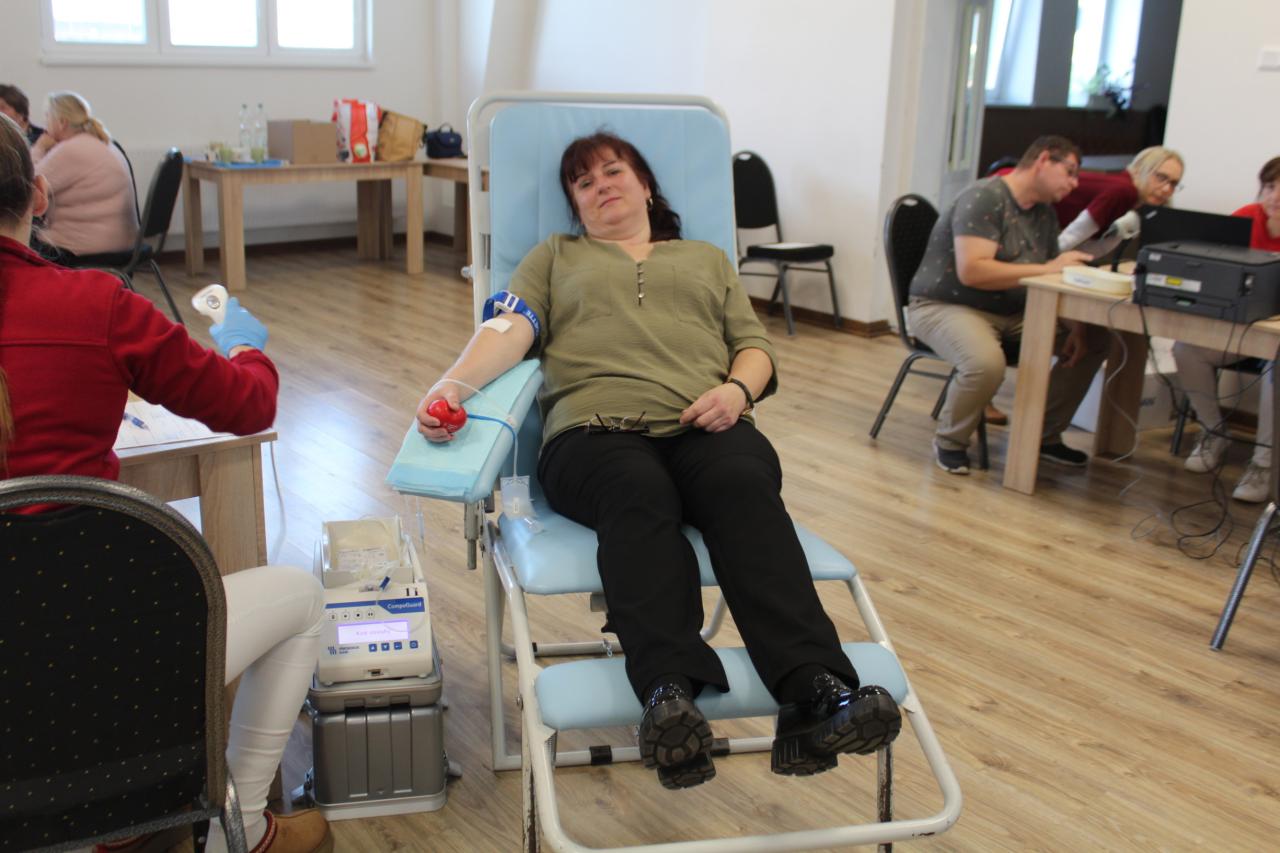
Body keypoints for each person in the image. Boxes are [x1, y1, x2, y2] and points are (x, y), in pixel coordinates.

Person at [415, 131, 901, 789]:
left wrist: (738, 391)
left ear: (646, 185)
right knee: (637, 490)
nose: (601, 186)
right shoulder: (555, 256)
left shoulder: (706, 259)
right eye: (583, 182)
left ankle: (816, 692)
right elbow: (510, 327)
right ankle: (667, 693)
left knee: (742, 485)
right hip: (594, 432)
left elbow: (754, 346)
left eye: (613, 171)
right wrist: (452, 387)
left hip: (707, 423)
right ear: (575, 206)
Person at [0, 115, 331, 853]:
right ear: (39, 195)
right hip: (104, 642)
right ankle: (241, 828)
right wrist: (245, 348)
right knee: (304, 598)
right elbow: (248, 405)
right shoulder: (99, 307)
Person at [908, 135, 1110, 475]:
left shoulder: (1044, 214)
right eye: (1070, 172)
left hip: (1012, 311)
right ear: (1043, 160)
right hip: (946, 306)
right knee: (985, 363)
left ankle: (1042, 436)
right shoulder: (984, 198)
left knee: (1095, 340)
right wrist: (1049, 268)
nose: (1074, 184)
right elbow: (973, 272)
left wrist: (1076, 328)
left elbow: (1049, 277)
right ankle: (950, 441)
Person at [1172, 155, 1280, 503]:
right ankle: (1213, 432)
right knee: (1186, 349)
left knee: (1277, 367)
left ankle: (1264, 464)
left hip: (1275, 343)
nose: (1276, 196)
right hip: (1239, 331)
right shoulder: (1245, 218)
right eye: (1270, 186)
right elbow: (1213, 267)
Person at [28, 91, 138, 259]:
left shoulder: (70, 150)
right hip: (118, 239)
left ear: (62, 122)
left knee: (14, 241)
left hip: (82, 245)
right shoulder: (102, 142)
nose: (44, 124)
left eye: (47, 116)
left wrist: (39, 147)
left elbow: (31, 189)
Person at [1054, 146, 1186, 255]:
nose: (1166, 189)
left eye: (1173, 183)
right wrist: (1047, 263)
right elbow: (1072, 235)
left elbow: (1088, 250)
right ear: (1139, 169)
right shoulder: (1125, 191)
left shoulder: (1132, 198)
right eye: (1161, 177)